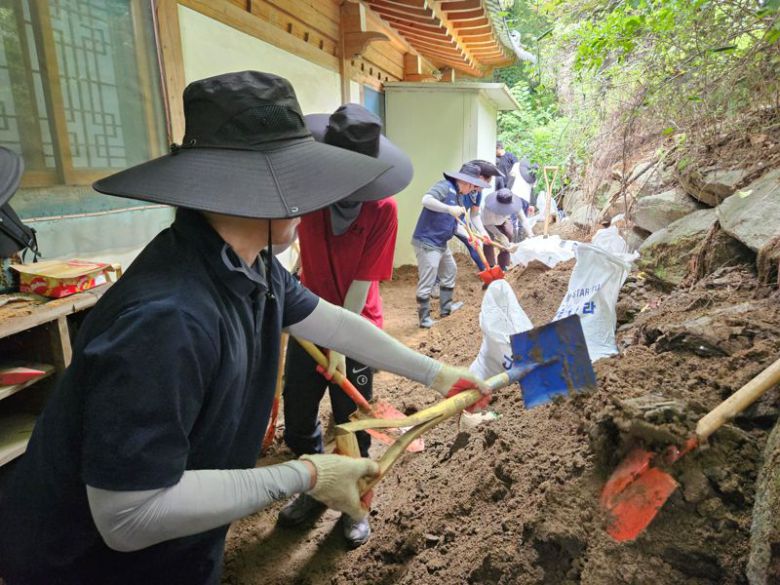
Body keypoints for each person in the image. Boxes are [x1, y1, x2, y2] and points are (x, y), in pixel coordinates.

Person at [0, 71, 488, 585]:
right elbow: (127, 516)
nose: (313, 198)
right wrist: (308, 473)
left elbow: (333, 321)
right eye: (301, 180)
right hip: (91, 566)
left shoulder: (249, 262)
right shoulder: (168, 319)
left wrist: (436, 374)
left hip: (179, 550)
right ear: (257, 190)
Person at [278, 103, 413, 547]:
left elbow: (360, 286)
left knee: (351, 420)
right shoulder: (309, 199)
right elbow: (293, 247)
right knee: (298, 417)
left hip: (354, 329)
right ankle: (315, 486)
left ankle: (355, 502)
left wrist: (339, 342)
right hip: (307, 323)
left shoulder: (383, 211)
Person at [411, 162, 489, 328]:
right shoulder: (445, 186)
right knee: (429, 277)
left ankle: (446, 308)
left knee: (450, 270)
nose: (473, 190)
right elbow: (426, 200)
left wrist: (472, 236)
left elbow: (456, 222)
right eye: (473, 186)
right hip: (427, 241)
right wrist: (448, 208)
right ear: (465, 182)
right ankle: (424, 319)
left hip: (440, 242)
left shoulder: (460, 196)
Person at [451, 159, 502, 271]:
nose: (482, 189)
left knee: (475, 245)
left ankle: (485, 270)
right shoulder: (458, 190)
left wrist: (483, 232)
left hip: (460, 222)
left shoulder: (476, 193)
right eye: (482, 185)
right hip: (446, 222)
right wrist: (470, 235)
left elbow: (474, 215)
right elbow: (450, 218)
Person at [482, 188, 532, 270]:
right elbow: (488, 224)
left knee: (508, 236)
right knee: (488, 241)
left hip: (503, 221)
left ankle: (503, 265)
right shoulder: (487, 208)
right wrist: (499, 235)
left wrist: (530, 233)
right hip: (489, 224)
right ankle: (490, 266)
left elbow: (523, 219)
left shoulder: (515, 205)